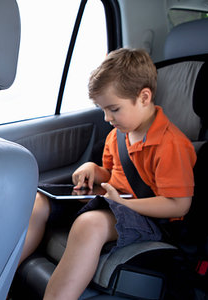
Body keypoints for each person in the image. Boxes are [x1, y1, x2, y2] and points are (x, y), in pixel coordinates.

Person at [18, 48, 197, 299]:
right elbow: (113, 173)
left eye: (113, 109)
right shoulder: (117, 135)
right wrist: (93, 171)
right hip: (112, 203)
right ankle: (1, 283)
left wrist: (125, 204)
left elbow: (178, 205)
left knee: (89, 224)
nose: (107, 118)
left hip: (149, 219)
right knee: (38, 203)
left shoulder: (170, 144)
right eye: (102, 109)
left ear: (144, 97)